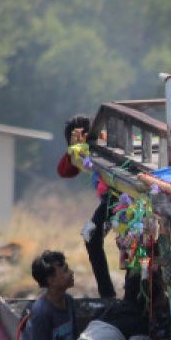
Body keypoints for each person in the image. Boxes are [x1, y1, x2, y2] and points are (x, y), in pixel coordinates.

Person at [57, 115, 116, 298]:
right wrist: (74, 147)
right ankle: (108, 294)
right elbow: (65, 171)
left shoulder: (105, 142)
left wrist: (86, 142)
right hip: (109, 201)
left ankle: (109, 295)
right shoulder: (81, 150)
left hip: (118, 199)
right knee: (91, 236)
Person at [16, 251, 79, 340]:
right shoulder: (41, 311)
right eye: (65, 270)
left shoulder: (68, 301)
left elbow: (74, 339)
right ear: (52, 281)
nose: (71, 272)